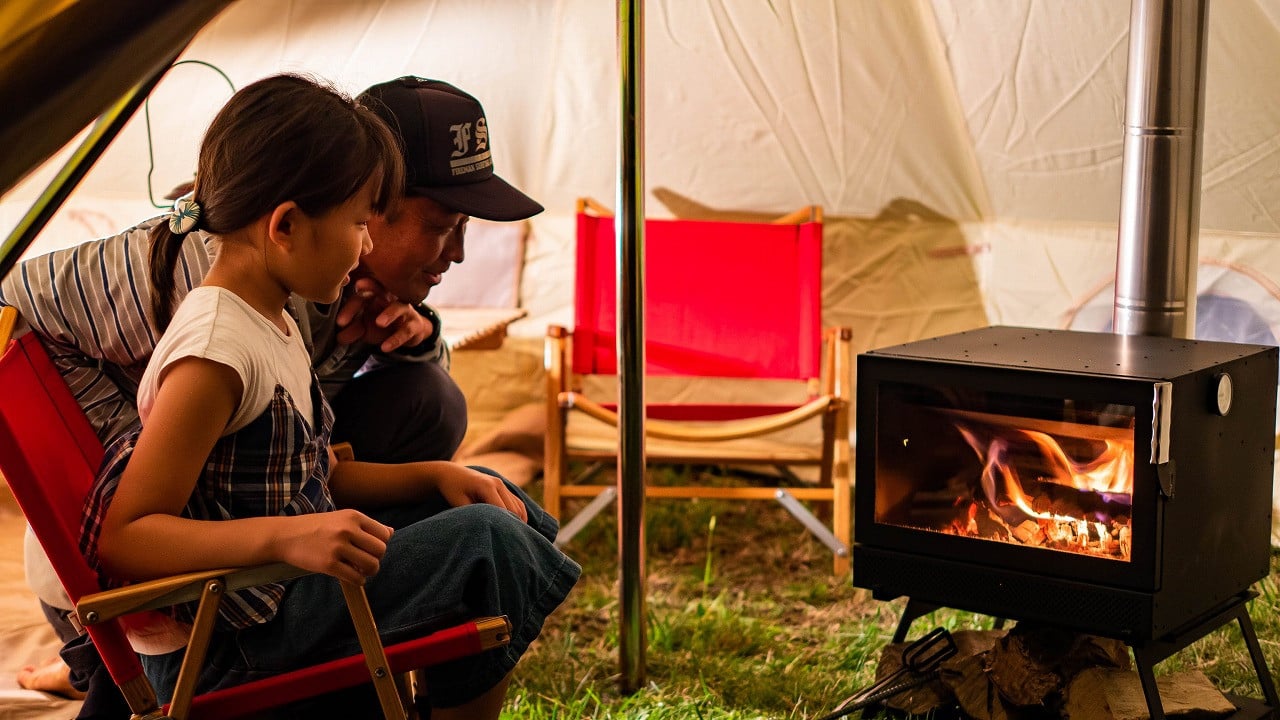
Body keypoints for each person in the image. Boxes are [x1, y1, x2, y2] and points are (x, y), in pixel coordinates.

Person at [2, 74, 544, 704]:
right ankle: (97, 670)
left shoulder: (278, 306)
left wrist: (431, 470)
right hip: (229, 621)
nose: (455, 253)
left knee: (493, 508)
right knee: (486, 542)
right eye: (361, 220)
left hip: (266, 560)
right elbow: (126, 535)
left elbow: (304, 461)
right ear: (289, 224)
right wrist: (285, 533)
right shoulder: (216, 336)